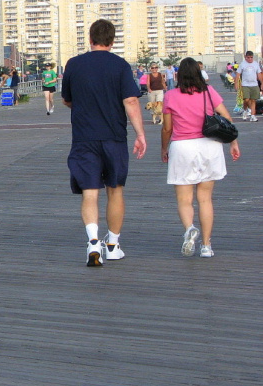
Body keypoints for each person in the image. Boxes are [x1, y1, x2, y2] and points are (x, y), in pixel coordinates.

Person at [61, 19, 146, 266]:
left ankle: (93, 241)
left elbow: (67, 99)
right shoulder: (120, 66)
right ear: (112, 40)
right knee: (115, 189)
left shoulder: (74, 64)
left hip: (84, 137)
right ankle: (113, 244)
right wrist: (140, 134)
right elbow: (130, 101)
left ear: (90, 38)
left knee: (90, 191)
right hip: (114, 136)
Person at [161, 57, 240, 258]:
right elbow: (227, 119)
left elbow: (167, 128)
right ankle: (206, 246)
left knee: (184, 199)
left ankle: (189, 229)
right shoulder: (209, 92)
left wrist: (164, 149)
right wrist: (233, 143)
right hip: (209, 145)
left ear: (179, 76)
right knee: (205, 199)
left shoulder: (170, 96)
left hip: (182, 147)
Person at [235, 51, 263, 122]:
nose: (250, 59)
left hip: (254, 84)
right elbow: (238, 75)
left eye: (251, 57)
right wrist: (236, 84)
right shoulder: (242, 64)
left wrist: (262, 83)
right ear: (245, 57)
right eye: (248, 57)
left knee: (253, 100)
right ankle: (245, 110)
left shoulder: (256, 64)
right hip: (245, 85)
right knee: (246, 99)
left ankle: (252, 116)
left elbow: (259, 74)